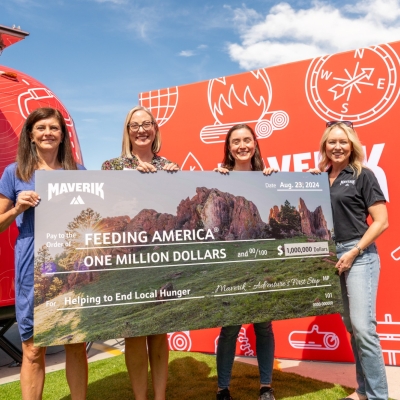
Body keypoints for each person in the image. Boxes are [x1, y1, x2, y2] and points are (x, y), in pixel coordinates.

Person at [0, 107, 88, 400]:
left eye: (54, 128)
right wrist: (16, 208)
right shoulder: (15, 173)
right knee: (33, 347)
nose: (48, 133)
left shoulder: (79, 174)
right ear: (31, 135)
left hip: (71, 263)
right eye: (41, 128)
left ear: (63, 135)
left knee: (75, 340)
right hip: (32, 267)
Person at [101, 105, 178, 400]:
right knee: (133, 331)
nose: (141, 129)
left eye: (147, 124)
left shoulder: (170, 165)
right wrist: (134, 175)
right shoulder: (111, 167)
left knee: (159, 332)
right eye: (135, 125)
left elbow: (174, 211)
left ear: (155, 128)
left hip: (161, 256)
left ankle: (159, 397)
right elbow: (109, 207)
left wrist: (171, 177)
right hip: (127, 258)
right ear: (127, 131)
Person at [316, 121, 389, 400]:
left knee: (363, 328)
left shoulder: (363, 175)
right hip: (334, 257)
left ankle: (379, 396)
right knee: (352, 328)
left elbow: (381, 222)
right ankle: (362, 391)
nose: (337, 147)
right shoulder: (322, 177)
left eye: (343, 142)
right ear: (325, 145)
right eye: (332, 142)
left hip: (358, 256)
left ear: (352, 145)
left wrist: (354, 251)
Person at [214, 124, 276, 400]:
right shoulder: (220, 177)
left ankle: (265, 386)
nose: (242, 146)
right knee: (229, 328)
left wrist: (274, 180)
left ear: (255, 143)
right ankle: (223, 388)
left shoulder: (267, 176)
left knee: (264, 325)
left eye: (247, 140)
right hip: (231, 265)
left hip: (261, 262)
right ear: (228, 147)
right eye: (235, 141)